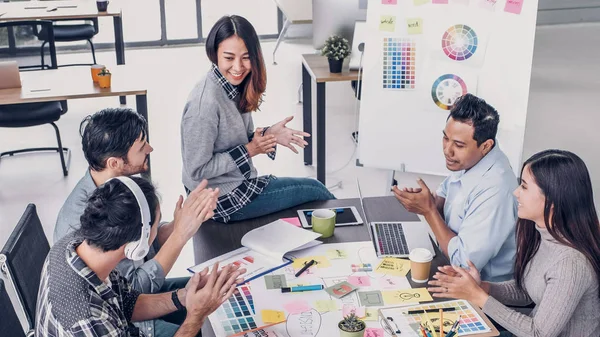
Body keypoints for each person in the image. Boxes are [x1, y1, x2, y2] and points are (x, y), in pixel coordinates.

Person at [53, 108, 219, 336]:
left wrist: (176, 226)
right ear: (114, 163)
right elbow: (136, 287)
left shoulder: (113, 200)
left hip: (121, 306)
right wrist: (180, 235)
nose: (150, 149)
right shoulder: (86, 226)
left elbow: (124, 297)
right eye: (141, 147)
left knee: (210, 291)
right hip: (122, 323)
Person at [36, 176, 244, 337]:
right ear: (138, 242)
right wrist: (196, 316)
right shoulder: (88, 321)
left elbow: (126, 302)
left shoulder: (76, 244)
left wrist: (183, 296)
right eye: (158, 223)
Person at [428, 149, 600, 337]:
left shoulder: (571, 264)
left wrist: (478, 296)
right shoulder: (543, 235)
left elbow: (537, 333)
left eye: (524, 187)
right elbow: (527, 291)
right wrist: (482, 286)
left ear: (552, 200)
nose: (516, 193)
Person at [181, 15, 335, 224]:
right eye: (229, 57)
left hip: (232, 184)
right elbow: (197, 170)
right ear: (214, 54)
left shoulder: (232, 86)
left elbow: (233, 140)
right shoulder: (204, 106)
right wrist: (250, 150)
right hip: (218, 199)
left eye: (246, 57)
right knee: (317, 190)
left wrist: (268, 134)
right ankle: (355, 240)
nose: (238, 67)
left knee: (313, 192)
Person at [393, 94, 517, 282]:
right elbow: (443, 198)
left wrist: (428, 211)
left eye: (458, 145)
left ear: (486, 146)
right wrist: (427, 201)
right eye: (445, 138)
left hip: (481, 290)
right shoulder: (470, 160)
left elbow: (463, 264)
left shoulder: (496, 189)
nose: (447, 150)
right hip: (447, 261)